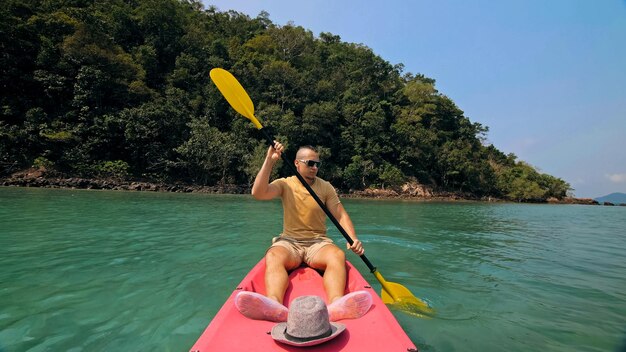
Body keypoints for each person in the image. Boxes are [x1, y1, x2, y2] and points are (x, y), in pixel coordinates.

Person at [235, 142, 372, 322]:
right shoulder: (285, 184)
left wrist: (353, 239)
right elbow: (258, 193)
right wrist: (270, 160)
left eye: (317, 164)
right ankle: (273, 304)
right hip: (290, 242)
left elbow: (340, 215)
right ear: (297, 163)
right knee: (274, 255)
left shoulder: (326, 187)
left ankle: (337, 304)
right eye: (310, 163)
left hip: (317, 243)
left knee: (337, 255)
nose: (314, 168)